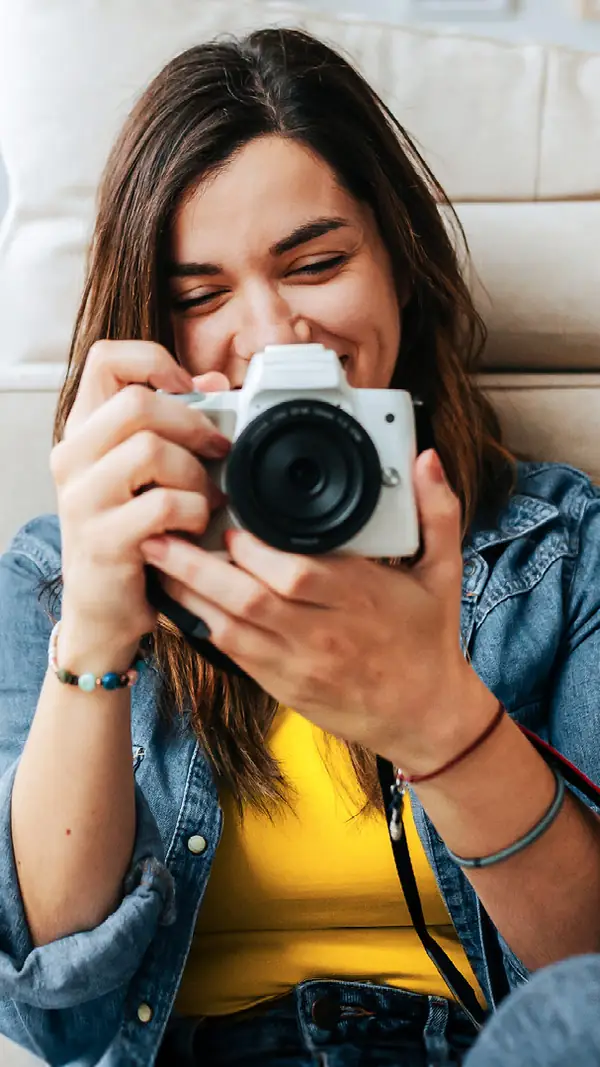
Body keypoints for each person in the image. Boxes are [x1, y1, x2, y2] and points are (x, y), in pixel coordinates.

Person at [0, 26, 599, 1067]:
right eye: (200, 296)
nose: (274, 333)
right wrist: (99, 623)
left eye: (316, 263)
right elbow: (57, 1010)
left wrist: (436, 717)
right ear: (151, 327)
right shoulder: (54, 577)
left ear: (400, 268)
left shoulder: (565, 548)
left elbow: (590, 976)